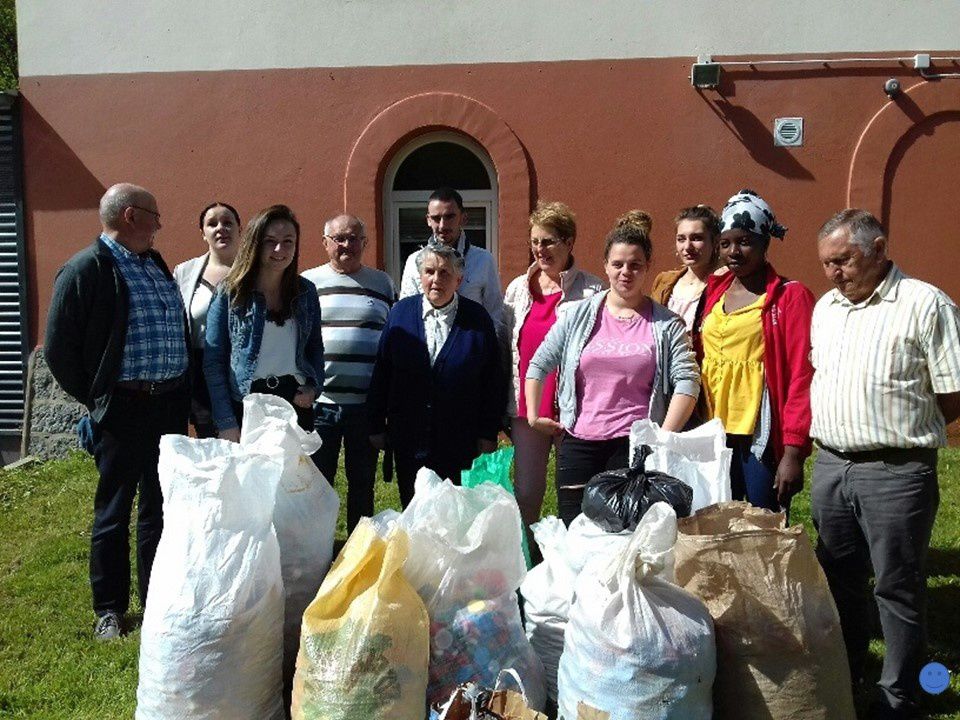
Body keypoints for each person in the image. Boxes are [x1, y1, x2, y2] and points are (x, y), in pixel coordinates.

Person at [810, 209, 960, 719]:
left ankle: (903, 696)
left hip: (895, 472)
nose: (834, 273)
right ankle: (845, 677)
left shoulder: (924, 304)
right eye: (827, 264)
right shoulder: (826, 308)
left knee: (896, 585)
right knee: (837, 580)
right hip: (831, 466)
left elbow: (952, 392)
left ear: (877, 249)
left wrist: (897, 433)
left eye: (843, 261)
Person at [44, 183, 190, 640]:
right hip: (123, 408)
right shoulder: (87, 269)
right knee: (114, 511)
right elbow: (58, 349)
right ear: (131, 216)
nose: (160, 225)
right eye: (155, 216)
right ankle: (109, 610)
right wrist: (97, 397)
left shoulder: (152, 262)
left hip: (166, 404)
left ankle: (155, 598)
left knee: (159, 508)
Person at [525, 222, 700, 526]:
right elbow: (539, 363)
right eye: (618, 264)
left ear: (648, 268)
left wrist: (662, 436)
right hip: (579, 443)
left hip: (633, 447)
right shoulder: (577, 315)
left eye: (635, 265)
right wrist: (532, 414)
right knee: (575, 534)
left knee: (625, 539)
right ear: (605, 266)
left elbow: (687, 380)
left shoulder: (667, 324)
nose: (626, 272)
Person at [691, 189, 814, 513]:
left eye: (745, 241)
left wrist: (793, 452)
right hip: (714, 432)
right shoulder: (715, 290)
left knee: (764, 525)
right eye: (726, 242)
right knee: (717, 520)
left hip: (759, 435)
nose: (734, 251)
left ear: (764, 243)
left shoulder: (790, 297)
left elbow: (802, 375)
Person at [368, 241, 505, 507]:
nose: (436, 279)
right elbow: (383, 371)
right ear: (420, 276)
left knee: (454, 514)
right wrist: (375, 424)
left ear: (459, 279)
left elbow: (492, 381)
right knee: (414, 509)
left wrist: (488, 433)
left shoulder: (477, 319)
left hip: (459, 440)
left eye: (444, 273)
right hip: (410, 437)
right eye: (429, 271)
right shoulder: (400, 314)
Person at [502, 201, 604, 528]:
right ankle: (527, 561)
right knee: (526, 492)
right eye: (535, 242)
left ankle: (571, 561)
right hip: (527, 408)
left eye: (548, 241)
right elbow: (508, 347)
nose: (540, 250)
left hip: (573, 407)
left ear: (569, 242)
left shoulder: (592, 291)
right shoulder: (518, 289)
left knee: (573, 491)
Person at [302, 213, 396, 531]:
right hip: (321, 406)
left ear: (364, 243)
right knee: (317, 490)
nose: (347, 245)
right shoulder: (307, 283)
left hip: (365, 408)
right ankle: (318, 558)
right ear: (325, 243)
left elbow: (391, 343)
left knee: (362, 486)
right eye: (339, 238)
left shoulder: (383, 283)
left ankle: (358, 558)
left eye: (354, 238)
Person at [204, 204, 324, 440]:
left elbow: (315, 349)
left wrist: (313, 388)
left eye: (288, 241)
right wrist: (227, 421)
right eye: (270, 241)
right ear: (255, 243)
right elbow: (214, 362)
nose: (279, 249)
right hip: (248, 403)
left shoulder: (305, 292)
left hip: (294, 403)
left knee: (295, 477)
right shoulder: (230, 292)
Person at [173, 202, 241, 437]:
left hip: (243, 367)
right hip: (200, 371)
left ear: (239, 229)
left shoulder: (255, 270)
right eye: (212, 224)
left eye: (228, 223)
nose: (221, 228)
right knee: (210, 441)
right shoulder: (185, 272)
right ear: (203, 233)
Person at [399, 186, 504, 334]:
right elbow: (406, 313)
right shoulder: (414, 262)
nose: (442, 225)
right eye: (436, 218)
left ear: (463, 218)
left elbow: (495, 315)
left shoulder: (484, 261)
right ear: (428, 220)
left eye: (449, 217)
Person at [651, 205, 725, 332]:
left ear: (715, 241)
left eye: (697, 238)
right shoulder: (663, 282)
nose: (687, 246)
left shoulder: (725, 284)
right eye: (681, 239)